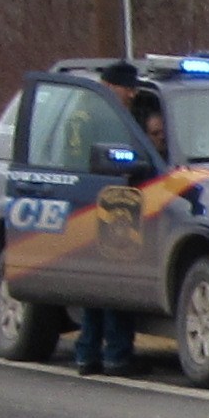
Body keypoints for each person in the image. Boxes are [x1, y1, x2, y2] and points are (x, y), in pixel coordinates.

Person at [72, 85, 167, 377]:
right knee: (114, 287)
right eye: (155, 134)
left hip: (99, 208)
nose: (161, 140)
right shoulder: (107, 121)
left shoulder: (96, 112)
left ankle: (89, 353)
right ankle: (114, 355)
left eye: (163, 135)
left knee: (99, 286)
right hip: (113, 214)